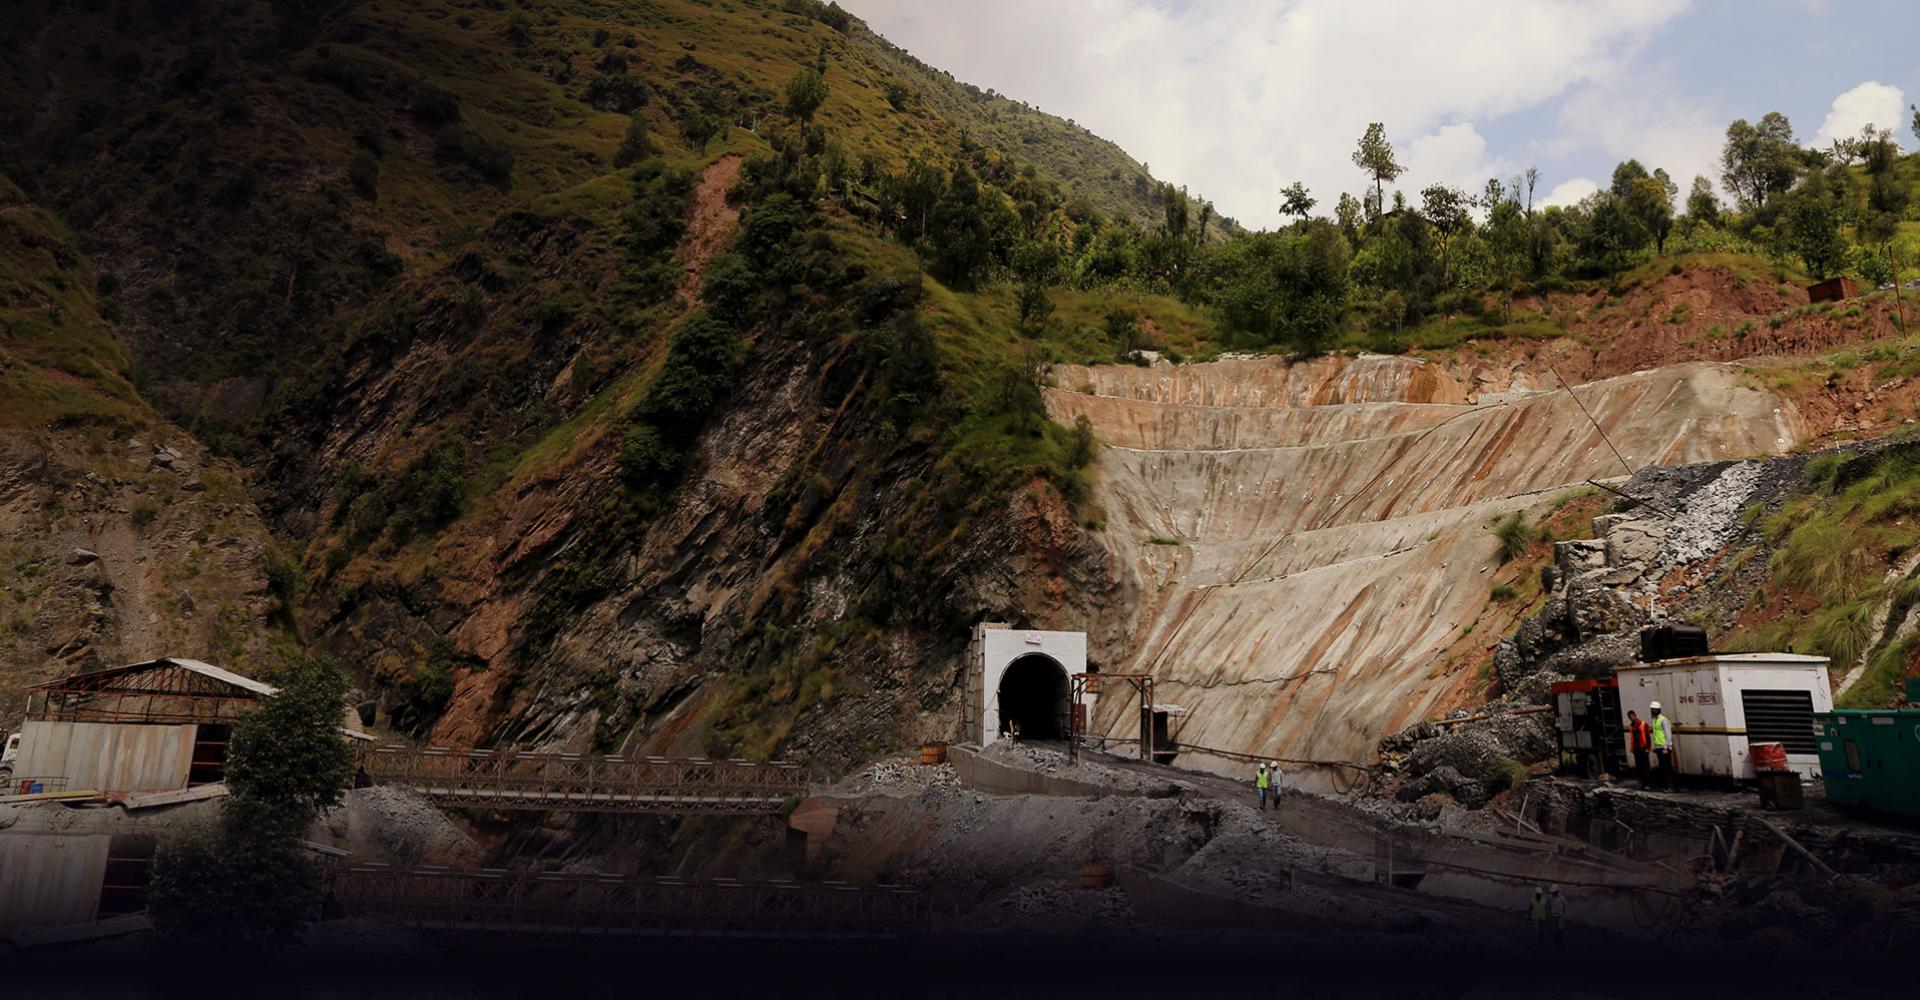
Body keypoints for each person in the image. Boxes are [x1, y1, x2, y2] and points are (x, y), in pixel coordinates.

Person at [1649, 701, 1674, 789]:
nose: (1652, 711)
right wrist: (1655, 747)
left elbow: (1668, 734)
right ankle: (1665, 786)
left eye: (1653, 709)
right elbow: (1657, 735)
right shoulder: (1655, 720)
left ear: (1657, 710)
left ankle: (1670, 786)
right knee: (1663, 767)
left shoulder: (1663, 720)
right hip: (1659, 747)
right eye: (1652, 709)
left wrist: (1666, 747)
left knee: (1667, 767)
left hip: (1664, 747)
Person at [1627, 709, 1652, 787]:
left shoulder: (1643, 724)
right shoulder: (1631, 726)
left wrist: (1648, 748)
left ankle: (1648, 783)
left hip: (1643, 748)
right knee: (1639, 767)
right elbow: (1632, 738)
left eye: (1632, 716)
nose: (1631, 718)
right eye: (1630, 717)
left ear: (1635, 715)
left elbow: (1648, 737)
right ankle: (1643, 783)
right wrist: (1632, 748)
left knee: (1645, 767)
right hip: (1636, 749)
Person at [1528, 886, 1548, 950]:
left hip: (1542, 918)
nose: (1539, 895)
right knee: (1537, 931)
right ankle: (1537, 944)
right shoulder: (1532, 900)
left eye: (1540, 894)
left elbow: (1546, 909)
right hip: (1535, 917)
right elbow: (1530, 908)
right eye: (1538, 894)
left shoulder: (1544, 900)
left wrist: (1547, 916)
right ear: (1536, 894)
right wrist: (1529, 915)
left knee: (1542, 932)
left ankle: (1540, 943)